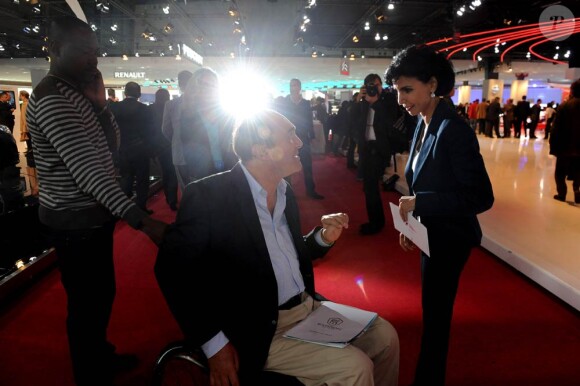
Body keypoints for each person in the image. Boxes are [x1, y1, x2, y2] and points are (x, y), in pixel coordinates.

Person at [155, 109, 399, 386]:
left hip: (307, 310)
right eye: (290, 135)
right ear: (262, 151)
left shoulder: (284, 191)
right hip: (258, 328)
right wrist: (215, 346)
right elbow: (171, 271)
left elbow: (282, 256)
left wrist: (322, 238)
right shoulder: (210, 196)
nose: (300, 142)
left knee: (385, 337)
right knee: (354, 367)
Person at [25, 16, 167, 386]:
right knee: (87, 303)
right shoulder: (54, 97)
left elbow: (111, 147)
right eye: (84, 52)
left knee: (99, 296)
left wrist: (101, 106)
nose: (94, 60)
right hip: (75, 221)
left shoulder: (76, 91)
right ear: (54, 50)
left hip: (91, 217)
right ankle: (90, 373)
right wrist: (143, 221)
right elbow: (89, 173)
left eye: (95, 51)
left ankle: (98, 357)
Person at [385, 44, 494, 386]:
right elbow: (423, 182)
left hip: (450, 239)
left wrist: (421, 204)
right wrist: (413, 224)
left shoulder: (454, 129)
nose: (401, 99)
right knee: (432, 314)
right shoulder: (423, 121)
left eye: (407, 89)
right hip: (431, 232)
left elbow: (480, 196)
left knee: (435, 318)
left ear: (431, 84)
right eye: (397, 91)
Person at [353, 73, 399, 235]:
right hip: (366, 151)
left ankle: (376, 223)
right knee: (368, 188)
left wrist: (376, 102)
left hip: (379, 151)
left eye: (377, 85)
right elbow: (353, 123)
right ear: (365, 87)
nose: (375, 88)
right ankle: (376, 221)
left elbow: (389, 123)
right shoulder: (363, 104)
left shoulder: (387, 102)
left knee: (371, 187)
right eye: (371, 86)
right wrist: (360, 102)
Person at [178, 67, 237, 184]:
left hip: (229, 168)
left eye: (212, 85)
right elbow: (188, 146)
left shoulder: (226, 113)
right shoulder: (188, 114)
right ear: (195, 88)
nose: (209, 89)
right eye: (204, 84)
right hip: (201, 172)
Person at [109, 81, 155, 213]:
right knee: (142, 180)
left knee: (125, 178)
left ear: (125, 93)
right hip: (141, 150)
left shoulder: (115, 108)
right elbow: (149, 132)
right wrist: (151, 150)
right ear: (139, 94)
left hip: (122, 149)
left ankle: (123, 209)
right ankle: (141, 207)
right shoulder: (145, 109)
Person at [279, 78, 324, 199]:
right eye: (291, 85)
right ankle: (287, 193)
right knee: (287, 165)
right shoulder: (284, 102)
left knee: (307, 165)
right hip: (287, 138)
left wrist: (312, 136)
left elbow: (309, 121)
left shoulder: (305, 103)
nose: (293, 87)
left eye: (295, 85)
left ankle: (310, 190)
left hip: (303, 137)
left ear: (299, 87)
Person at [550, 79, 580, 204]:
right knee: (579, 171)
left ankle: (562, 194)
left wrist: (553, 146)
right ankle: (577, 192)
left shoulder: (564, 106)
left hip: (565, 147)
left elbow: (556, 129)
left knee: (560, 173)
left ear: (572, 90)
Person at [162, 69, 193, 189]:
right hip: (202, 154)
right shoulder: (204, 103)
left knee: (185, 188)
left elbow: (166, 130)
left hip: (179, 153)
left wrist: (176, 140)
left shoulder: (171, 105)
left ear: (180, 85)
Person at [150, 88, 178, 210]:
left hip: (158, 146)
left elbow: (148, 130)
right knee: (173, 173)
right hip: (171, 144)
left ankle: (169, 197)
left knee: (166, 173)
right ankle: (172, 199)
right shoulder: (172, 107)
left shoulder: (150, 109)